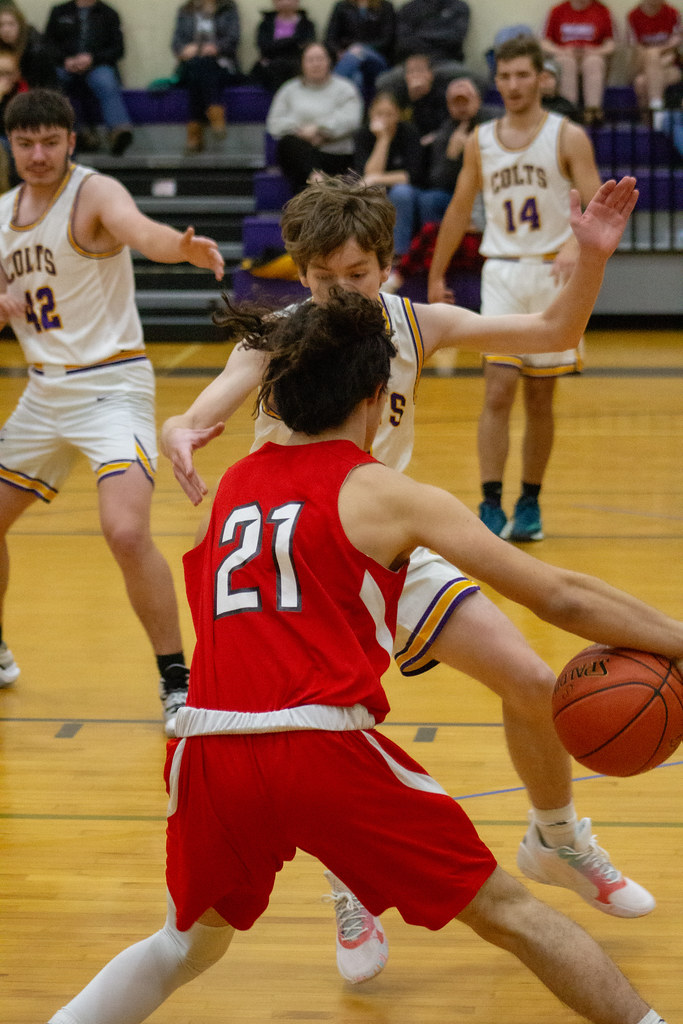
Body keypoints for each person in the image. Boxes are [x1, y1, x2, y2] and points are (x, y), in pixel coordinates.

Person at [47, 284, 678, 1024]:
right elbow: (561, 597)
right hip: (320, 750)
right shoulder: (385, 494)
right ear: (378, 397)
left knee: (180, 948)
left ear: (278, 394)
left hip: (207, 751)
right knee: (511, 914)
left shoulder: (227, 494)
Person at [160, 171, 656, 985]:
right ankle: (348, 882)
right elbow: (205, 405)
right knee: (322, 728)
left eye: (357, 274)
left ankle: (555, 836)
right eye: (324, 278)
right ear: (300, 273)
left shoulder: (414, 325)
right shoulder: (281, 334)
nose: (341, 292)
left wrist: (593, 256)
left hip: (390, 536)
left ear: (385, 265)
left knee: (533, 682)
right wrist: (181, 429)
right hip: (307, 557)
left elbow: (551, 326)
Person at [0, 89, 225, 736]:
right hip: (42, 392)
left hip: (111, 385)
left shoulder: (93, 192)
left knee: (125, 532)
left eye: (50, 141)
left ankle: (176, 679)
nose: (38, 154)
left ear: (71, 142)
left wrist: (179, 247)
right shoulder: (3, 214)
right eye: (25, 143)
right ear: (11, 146)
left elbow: (141, 231)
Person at [427, 35, 603, 544]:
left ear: (542, 78)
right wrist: (437, 273)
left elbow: (598, 202)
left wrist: (573, 243)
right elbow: (460, 208)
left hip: (552, 275)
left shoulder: (568, 135)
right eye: (504, 76)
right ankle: (489, 502)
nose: (513, 84)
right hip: (501, 271)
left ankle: (529, 500)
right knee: (498, 389)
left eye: (522, 74)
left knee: (540, 397)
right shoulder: (480, 140)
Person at [265, 41, 362, 195]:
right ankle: (318, 181)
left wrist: (320, 130)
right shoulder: (289, 90)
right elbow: (274, 124)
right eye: (310, 60)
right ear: (302, 63)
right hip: (299, 154)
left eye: (320, 59)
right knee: (289, 144)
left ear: (329, 61)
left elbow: (352, 120)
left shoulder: (345, 88)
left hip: (335, 155)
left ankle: (317, 185)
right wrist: (302, 131)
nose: (316, 64)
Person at [44, 0, 134, 155]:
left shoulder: (108, 13)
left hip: (97, 65)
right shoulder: (59, 12)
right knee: (53, 80)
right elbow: (48, 44)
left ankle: (119, 132)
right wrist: (65, 60)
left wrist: (92, 59)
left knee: (105, 81)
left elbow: (118, 49)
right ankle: (72, 133)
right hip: (65, 65)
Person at [353, 90, 425, 260]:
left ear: (398, 115)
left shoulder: (409, 132)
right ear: (371, 114)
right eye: (379, 114)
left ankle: (398, 255)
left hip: (410, 190)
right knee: (366, 192)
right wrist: (383, 139)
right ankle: (367, 253)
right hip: (378, 187)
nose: (384, 120)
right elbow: (368, 173)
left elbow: (412, 175)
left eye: (389, 114)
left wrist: (377, 179)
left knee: (401, 193)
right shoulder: (363, 134)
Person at [171, 0, 243, 155]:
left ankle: (194, 133)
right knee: (198, 65)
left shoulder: (228, 8)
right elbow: (176, 43)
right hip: (191, 65)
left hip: (222, 65)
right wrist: (187, 49)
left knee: (202, 68)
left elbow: (233, 39)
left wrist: (216, 48)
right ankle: (216, 114)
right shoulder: (185, 10)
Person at [541, 0, 617, 124]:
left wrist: (595, 51)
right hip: (565, 55)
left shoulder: (602, 11)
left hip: (591, 55)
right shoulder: (557, 11)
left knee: (593, 62)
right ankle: (569, 112)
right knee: (566, 62)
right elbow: (544, 43)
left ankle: (593, 113)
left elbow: (611, 45)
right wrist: (562, 51)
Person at [324, 0, 396, 106]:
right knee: (357, 78)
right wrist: (339, 52)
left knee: (357, 52)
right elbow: (330, 39)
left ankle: (326, 95)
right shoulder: (342, 6)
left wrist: (361, 48)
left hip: (376, 60)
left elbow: (387, 40)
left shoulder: (385, 7)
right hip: (348, 58)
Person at [626, 1, 682, 120]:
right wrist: (655, 55)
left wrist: (656, 53)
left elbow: (674, 48)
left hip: (670, 67)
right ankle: (654, 118)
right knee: (641, 81)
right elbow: (638, 50)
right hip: (644, 66)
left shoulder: (673, 13)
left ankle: (655, 116)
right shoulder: (633, 16)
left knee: (642, 80)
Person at [250, 0, 316, 95]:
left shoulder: (307, 25)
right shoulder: (265, 24)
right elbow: (264, 47)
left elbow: (307, 48)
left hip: (296, 64)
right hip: (271, 65)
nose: (285, 2)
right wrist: (293, 41)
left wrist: (277, 45)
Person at [0, 0, 59, 89]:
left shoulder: (35, 50)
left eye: (11, 24)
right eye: (1, 25)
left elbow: (39, 85)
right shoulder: (4, 47)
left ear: (21, 25)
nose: (6, 30)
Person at [541, 54, 583, 119]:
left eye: (549, 77)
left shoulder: (568, 108)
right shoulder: (529, 106)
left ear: (557, 81)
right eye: (542, 77)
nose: (545, 81)